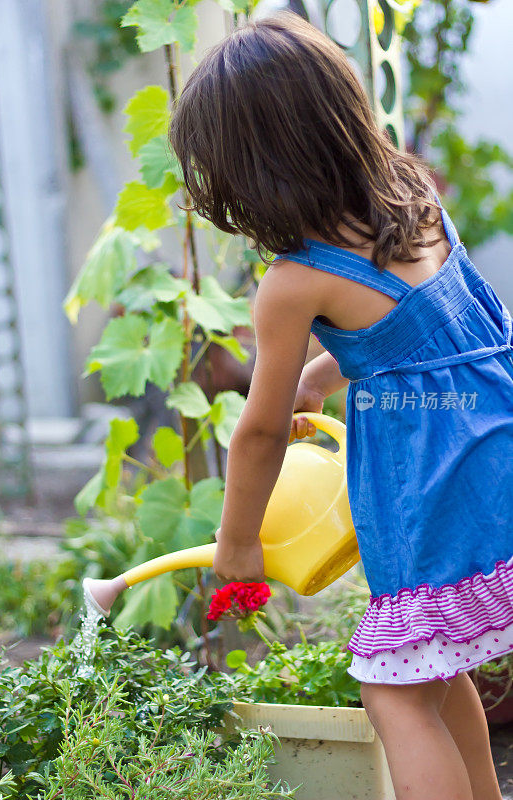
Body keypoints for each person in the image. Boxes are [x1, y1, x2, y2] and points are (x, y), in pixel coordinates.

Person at [168, 11, 512, 800]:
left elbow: (257, 432)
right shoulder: (410, 191)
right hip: (494, 431)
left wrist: (238, 543)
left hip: (434, 478)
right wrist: (324, 376)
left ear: (251, 171)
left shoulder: (293, 284)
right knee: (433, 665)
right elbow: (422, 334)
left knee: (393, 691)